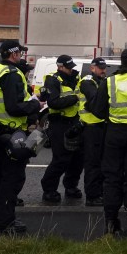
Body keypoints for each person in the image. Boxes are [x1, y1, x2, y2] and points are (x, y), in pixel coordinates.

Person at [0, 40, 42, 236]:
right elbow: (14, 107)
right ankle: (4, 223)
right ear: (14, 54)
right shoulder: (13, 74)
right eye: (21, 53)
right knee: (12, 179)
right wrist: (36, 105)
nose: (22, 56)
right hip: (12, 133)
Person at [92, 48, 127, 236]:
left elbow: (99, 112)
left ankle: (111, 222)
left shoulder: (110, 81)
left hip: (114, 133)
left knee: (112, 178)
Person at [40, 55, 84, 203]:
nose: (71, 69)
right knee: (61, 159)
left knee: (77, 159)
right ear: (60, 67)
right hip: (59, 124)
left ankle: (71, 187)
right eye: (68, 67)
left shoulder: (76, 78)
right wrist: (75, 98)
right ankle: (49, 189)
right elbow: (54, 103)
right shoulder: (53, 80)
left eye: (72, 67)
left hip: (75, 122)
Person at [79, 58, 109, 207]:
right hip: (90, 126)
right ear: (92, 68)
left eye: (104, 68)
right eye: (100, 68)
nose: (103, 70)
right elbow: (96, 100)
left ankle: (100, 192)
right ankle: (92, 195)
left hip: (101, 126)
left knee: (103, 161)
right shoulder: (87, 81)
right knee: (92, 163)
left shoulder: (103, 81)